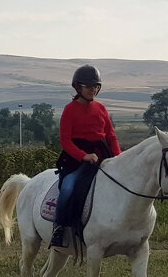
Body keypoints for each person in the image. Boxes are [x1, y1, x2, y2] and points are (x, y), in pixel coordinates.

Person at [50, 64, 121, 248]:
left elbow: (111, 136)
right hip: (75, 159)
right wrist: (84, 156)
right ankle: (59, 227)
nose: (93, 90)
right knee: (67, 188)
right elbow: (65, 142)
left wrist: (118, 159)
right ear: (78, 87)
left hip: (101, 154)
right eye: (89, 87)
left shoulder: (101, 109)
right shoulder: (69, 110)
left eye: (96, 86)